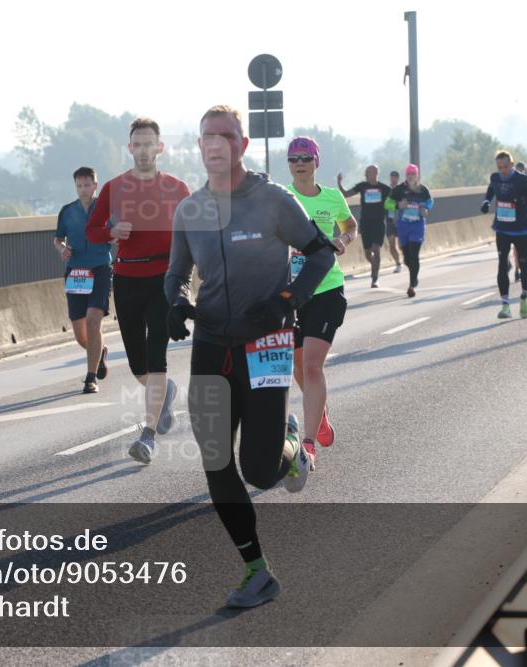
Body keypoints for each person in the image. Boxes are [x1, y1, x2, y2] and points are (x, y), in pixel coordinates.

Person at [165, 105, 336, 608]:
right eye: (205, 137)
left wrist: (288, 300)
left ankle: (290, 444)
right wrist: (174, 301)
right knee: (216, 459)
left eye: (224, 136)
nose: (214, 144)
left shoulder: (273, 200)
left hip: (266, 344)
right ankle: (257, 571)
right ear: (199, 148)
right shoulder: (189, 210)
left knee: (259, 472)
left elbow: (321, 253)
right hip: (211, 344)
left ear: (240, 145)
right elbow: (175, 274)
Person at [86, 118, 191, 464]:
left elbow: (194, 236)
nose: (144, 150)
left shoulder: (178, 188)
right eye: (137, 144)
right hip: (128, 278)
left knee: (156, 351)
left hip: (164, 277)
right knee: (136, 363)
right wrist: (113, 233)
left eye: (150, 144)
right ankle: (164, 392)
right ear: (130, 149)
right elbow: (91, 231)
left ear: (159, 148)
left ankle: (147, 436)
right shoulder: (114, 188)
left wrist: (188, 281)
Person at [290, 137, 356, 468]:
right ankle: (321, 413)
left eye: (306, 157)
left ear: (317, 162)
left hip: (327, 288)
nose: (300, 163)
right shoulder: (282, 199)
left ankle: (309, 441)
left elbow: (350, 225)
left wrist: (343, 240)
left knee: (313, 365)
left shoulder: (332, 197)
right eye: (294, 158)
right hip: (291, 292)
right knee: (298, 366)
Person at [55, 167, 111, 394]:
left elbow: (116, 231)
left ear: (95, 185)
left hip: (100, 269)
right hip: (76, 273)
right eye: (79, 186)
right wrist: (62, 249)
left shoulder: (106, 209)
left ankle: (90, 378)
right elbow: (58, 239)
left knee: (93, 320)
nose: (84, 190)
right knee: (80, 335)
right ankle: (100, 352)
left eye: (88, 185)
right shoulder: (67, 211)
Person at [481, 151, 527, 319]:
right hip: (502, 228)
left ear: (512, 164)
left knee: (523, 265)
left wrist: (521, 198)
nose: (503, 171)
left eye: (506, 167)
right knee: (502, 264)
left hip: (521, 229)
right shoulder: (495, 177)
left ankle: (523, 296)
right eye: (499, 167)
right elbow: (491, 190)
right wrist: (486, 202)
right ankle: (505, 305)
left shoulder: (522, 179)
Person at [338, 165, 391, 287]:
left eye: (369, 173)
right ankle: (375, 267)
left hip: (379, 223)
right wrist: (339, 183)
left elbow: (395, 199)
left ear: (376, 173)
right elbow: (346, 194)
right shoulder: (362, 186)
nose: (367, 175)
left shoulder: (384, 188)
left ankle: (375, 278)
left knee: (376, 249)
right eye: (366, 173)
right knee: (368, 253)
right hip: (366, 223)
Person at [389, 164, 433, 297]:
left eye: (413, 174)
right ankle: (414, 276)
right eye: (408, 174)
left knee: (414, 254)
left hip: (417, 225)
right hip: (403, 226)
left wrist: (426, 208)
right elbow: (387, 203)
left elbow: (430, 202)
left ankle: (412, 284)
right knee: (407, 258)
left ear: (417, 175)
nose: (410, 176)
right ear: (406, 176)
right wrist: (397, 206)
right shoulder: (399, 189)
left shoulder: (423, 189)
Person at [383, 170, 403, 272]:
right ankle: (398, 264)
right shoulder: (387, 190)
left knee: (401, 245)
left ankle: (405, 259)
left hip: (400, 220)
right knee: (392, 245)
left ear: (398, 178)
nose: (393, 179)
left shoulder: (401, 190)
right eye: (392, 177)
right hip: (390, 221)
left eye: (395, 177)